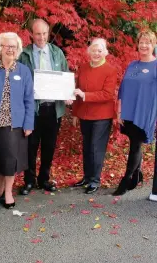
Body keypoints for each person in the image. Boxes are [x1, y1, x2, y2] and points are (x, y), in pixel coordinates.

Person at [0, 32, 34, 209]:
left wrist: (28, 123)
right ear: (0, 48)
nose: (10, 49)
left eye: (14, 46)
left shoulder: (24, 71)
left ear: (18, 49)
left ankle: (9, 192)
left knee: (11, 160)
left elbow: (29, 99)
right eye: (6, 46)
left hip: (15, 124)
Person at [19, 19, 69, 195]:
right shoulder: (24, 55)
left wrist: (68, 93)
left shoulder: (57, 53)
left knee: (49, 146)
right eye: (38, 34)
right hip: (32, 109)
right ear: (32, 34)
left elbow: (66, 75)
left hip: (53, 109)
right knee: (30, 146)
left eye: (44, 33)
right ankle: (29, 180)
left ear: (49, 34)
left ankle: (44, 179)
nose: (41, 37)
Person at [113, 30, 157, 196]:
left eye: (148, 42)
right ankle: (137, 175)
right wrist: (119, 110)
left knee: (136, 145)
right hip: (128, 111)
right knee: (133, 141)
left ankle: (127, 179)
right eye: (141, 42)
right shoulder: (132, 65)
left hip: (144, 112)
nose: (144, 45)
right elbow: (123, 89)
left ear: (153, 45)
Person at [71, 38, 117, 194]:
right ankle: (87, 176)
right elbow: (77, 91)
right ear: (88, 52)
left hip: (101, 116)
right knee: (87, 147)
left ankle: (95, 180)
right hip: (84, 114)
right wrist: (75, 112)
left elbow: (107, 94)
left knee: (96, 148)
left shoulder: (110, 70)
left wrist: (85, 95)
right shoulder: (83, 68)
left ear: (105, 52)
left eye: (100, 51)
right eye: (94, 50)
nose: (96, 54)